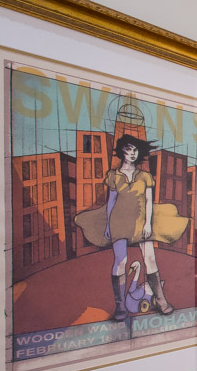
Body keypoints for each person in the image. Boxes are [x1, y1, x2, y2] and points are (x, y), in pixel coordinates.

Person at [75, 134, 188, 320]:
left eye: (135, 150)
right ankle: (120, 306)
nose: (132, 153)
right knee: (120, 261)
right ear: (122, 152)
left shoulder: (145, 176)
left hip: (141, 223)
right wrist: (108, 225)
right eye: (128, 149)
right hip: (119, 223)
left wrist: (147, 224)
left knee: (150, 259)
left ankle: (161, 301)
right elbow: (111, 202)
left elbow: (149, 201)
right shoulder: (113, 176)